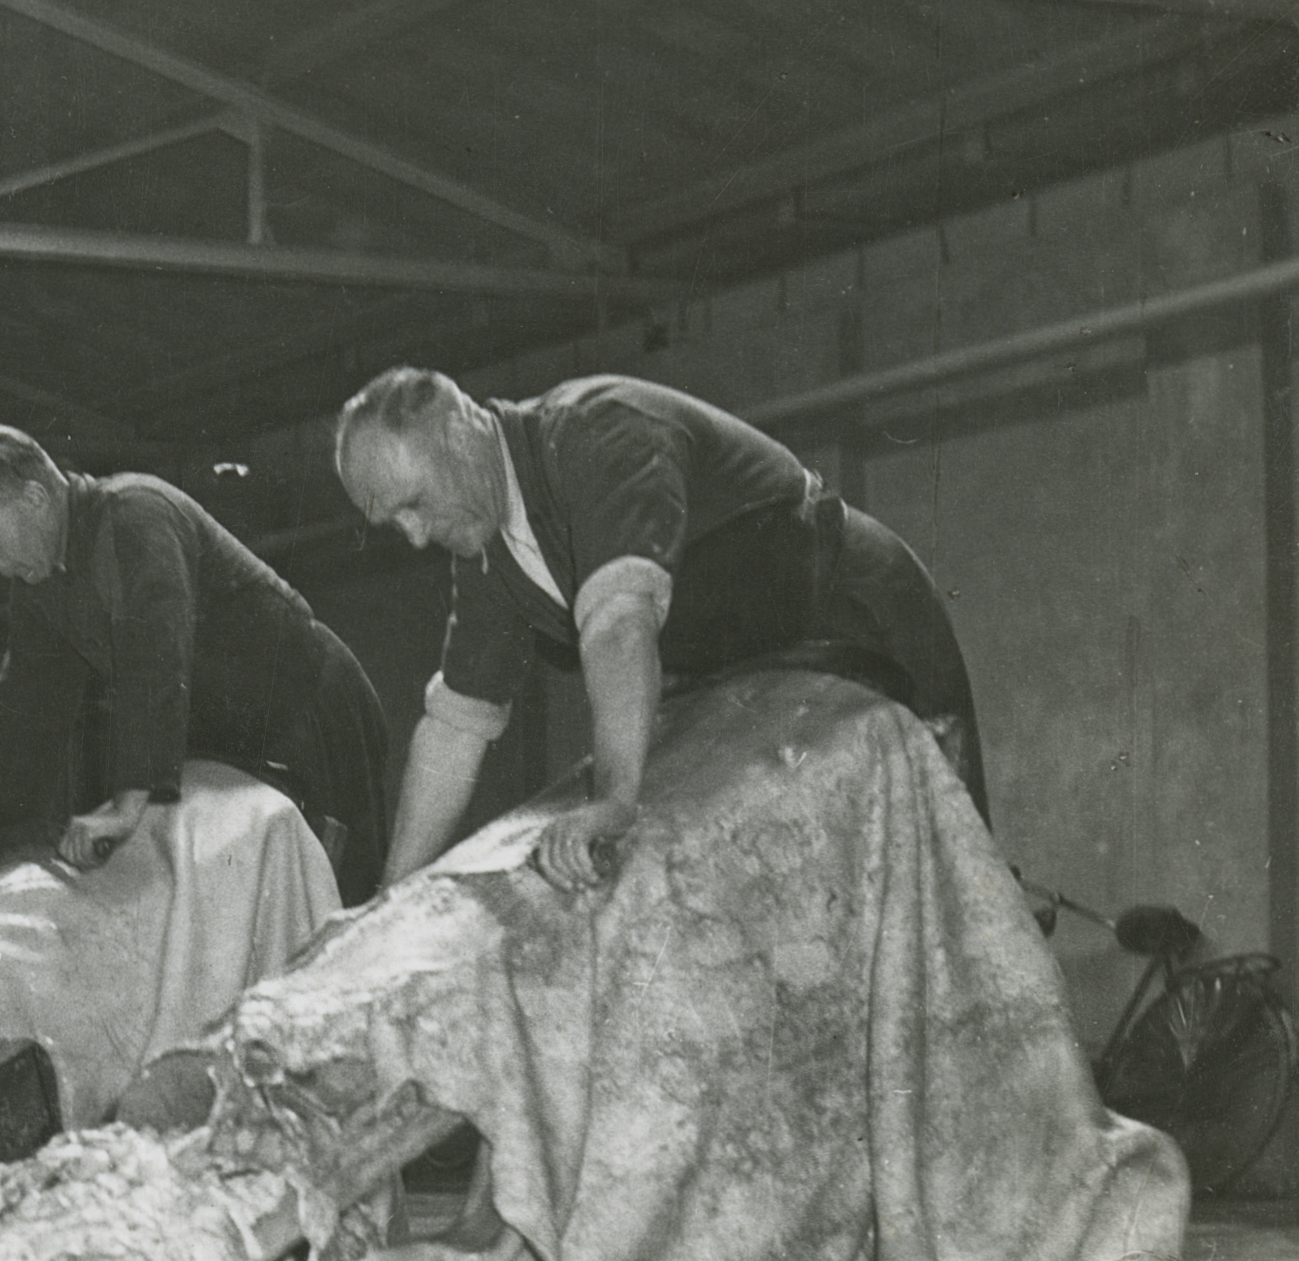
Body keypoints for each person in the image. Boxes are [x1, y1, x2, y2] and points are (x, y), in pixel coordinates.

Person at [335, 367, 985, 892]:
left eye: (413, 505)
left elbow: (618, 626)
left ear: (460, 431)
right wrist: (390, 894)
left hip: (853, 613)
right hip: (742, 681)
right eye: (395, 523)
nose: (415, 537)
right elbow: (455, 727)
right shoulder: (485, 559)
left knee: (946, 861)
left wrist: (615, 799)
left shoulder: (597, 432)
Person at [0, 425, 391, 903]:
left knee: (345, 894)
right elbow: (24, 704)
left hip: (310, 709)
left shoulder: (134, 515)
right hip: (238, 743)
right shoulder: (41, 583)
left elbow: (154, 651)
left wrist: (128, 802)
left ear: (34, 498)